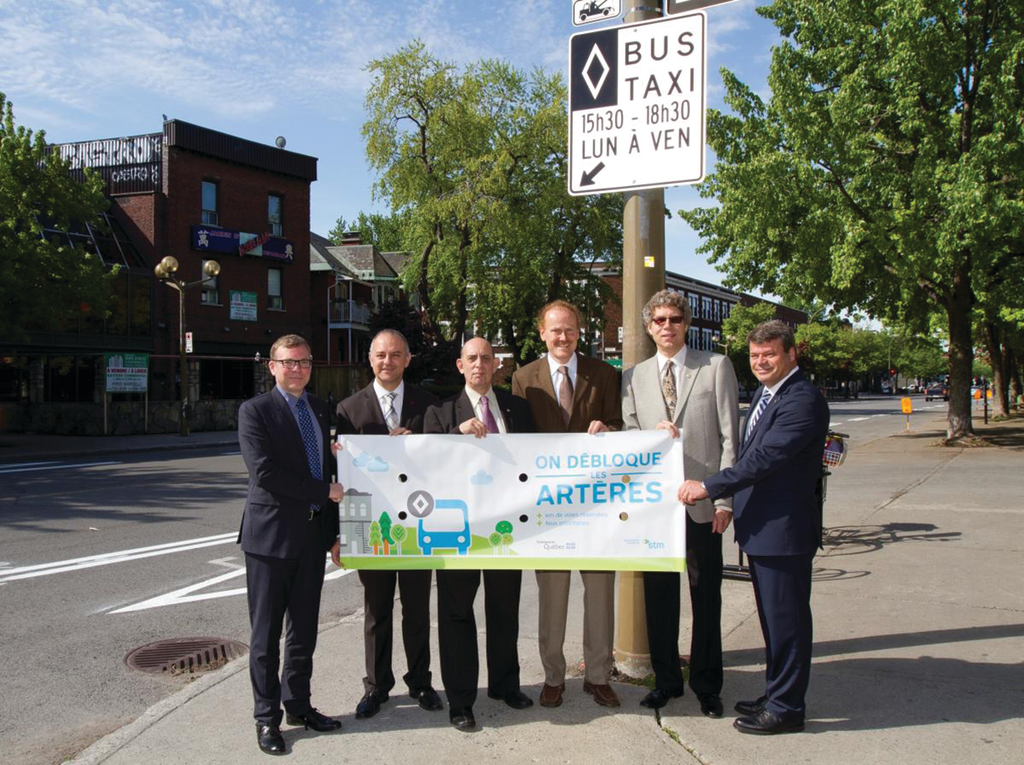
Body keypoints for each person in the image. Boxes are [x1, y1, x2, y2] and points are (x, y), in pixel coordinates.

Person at [679, 320, 829, 735]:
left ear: (791, 354)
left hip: (785, 531)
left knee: (788, 623)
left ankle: (787, 708)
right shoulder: (768, 393)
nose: (761, 362)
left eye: (770, 354)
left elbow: (764, 458)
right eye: (755, 355)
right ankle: (776, 692)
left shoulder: (802, 400)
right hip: (765, 531)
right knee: (773, 622)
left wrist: (709, 486)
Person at [621, 289, 739, 719]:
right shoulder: (633, 378)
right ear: (649, 327)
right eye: (659, 321)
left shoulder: (716, 367)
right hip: (658, 511)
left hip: (705, 505)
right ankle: (667, 681)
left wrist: (725, 499)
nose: (667, 327)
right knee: (660, 598)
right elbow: (629, 441)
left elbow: (731, 439)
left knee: (706, 596)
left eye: (675, 319)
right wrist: (650, 436)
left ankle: (708, 684)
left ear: (686, 324)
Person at [511, 300, 622, 709]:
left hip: (596, 508)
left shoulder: (604, 374)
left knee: (600, 594)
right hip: (549, 511)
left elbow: (621, 425)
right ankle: (553, 677)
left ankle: (597, 676)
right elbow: (518, 440)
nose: (563, 337)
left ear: (580, 331)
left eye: (570, 330)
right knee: (552, 598)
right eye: (555, 330)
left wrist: (607, 429)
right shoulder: (524, 378)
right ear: (541, 332)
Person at [237, 334, 344, 756]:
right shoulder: (254, 411)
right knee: (265, 636)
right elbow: (265, 473)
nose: (296, 369)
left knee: (303, 631)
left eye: (303, 362)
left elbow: (326, 468)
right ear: (272, 366)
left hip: (311, 538)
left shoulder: (318, 408)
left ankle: (298, 704)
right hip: (269, 540)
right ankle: (267, 719)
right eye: (288, 362)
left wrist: (335, 529)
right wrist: (324, 491)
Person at [423, 337, 536, 731]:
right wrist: (457, 435)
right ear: (460, 365)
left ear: (496, 365)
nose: (479, 365)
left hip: (507, 530)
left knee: (504, 610)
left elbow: (539, 464)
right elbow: (428, 465)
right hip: (458, 532)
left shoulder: (518, 410)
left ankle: (505, 685)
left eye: (486, 359)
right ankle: (460, 700)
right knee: (456, 615)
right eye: (472, 358)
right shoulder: (439, 414)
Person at [333, 329, 443, 720]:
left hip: (417, 527)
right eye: (381, 354)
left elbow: (444, 467)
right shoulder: (348, 409)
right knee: (376, 612)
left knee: (417, 610)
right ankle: (377, 686)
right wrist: (340, 535)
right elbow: (341, 476)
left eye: (396, 354)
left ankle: (420, 682)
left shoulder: (430, 407)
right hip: (373, 530)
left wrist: (419, 446)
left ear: (408, 359)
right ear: (370, 358)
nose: (388, 361)